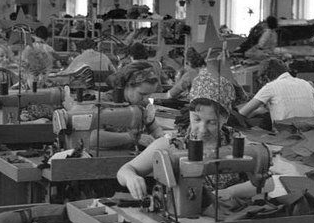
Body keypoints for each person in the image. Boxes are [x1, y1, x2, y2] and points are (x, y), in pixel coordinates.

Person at [117, 69, 273, 201]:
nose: (202, 129)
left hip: (229, 214)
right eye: (197, 119)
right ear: (190, 113)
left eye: (212, 122)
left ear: (225, 118)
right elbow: (125, 170)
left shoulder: (238, 142)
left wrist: (231, 192)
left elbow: (268, 182)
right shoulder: (172, 144)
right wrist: (131, 178)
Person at [238, 58, 314, 124]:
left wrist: (256, 112)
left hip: (285, 135)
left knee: (256, 122)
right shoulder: (306, 84)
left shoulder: (270, 87)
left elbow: (242, 113)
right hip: (310, 134)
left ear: (266, 77)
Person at [105, 61, 164, 142]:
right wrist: (134, 138)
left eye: (149, 95)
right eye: (142, 94)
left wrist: (160, 136)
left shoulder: (143, 105)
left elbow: (154, 128)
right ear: (127, 86)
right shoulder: (106, 103)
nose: (146, 99)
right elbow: (93, 138)